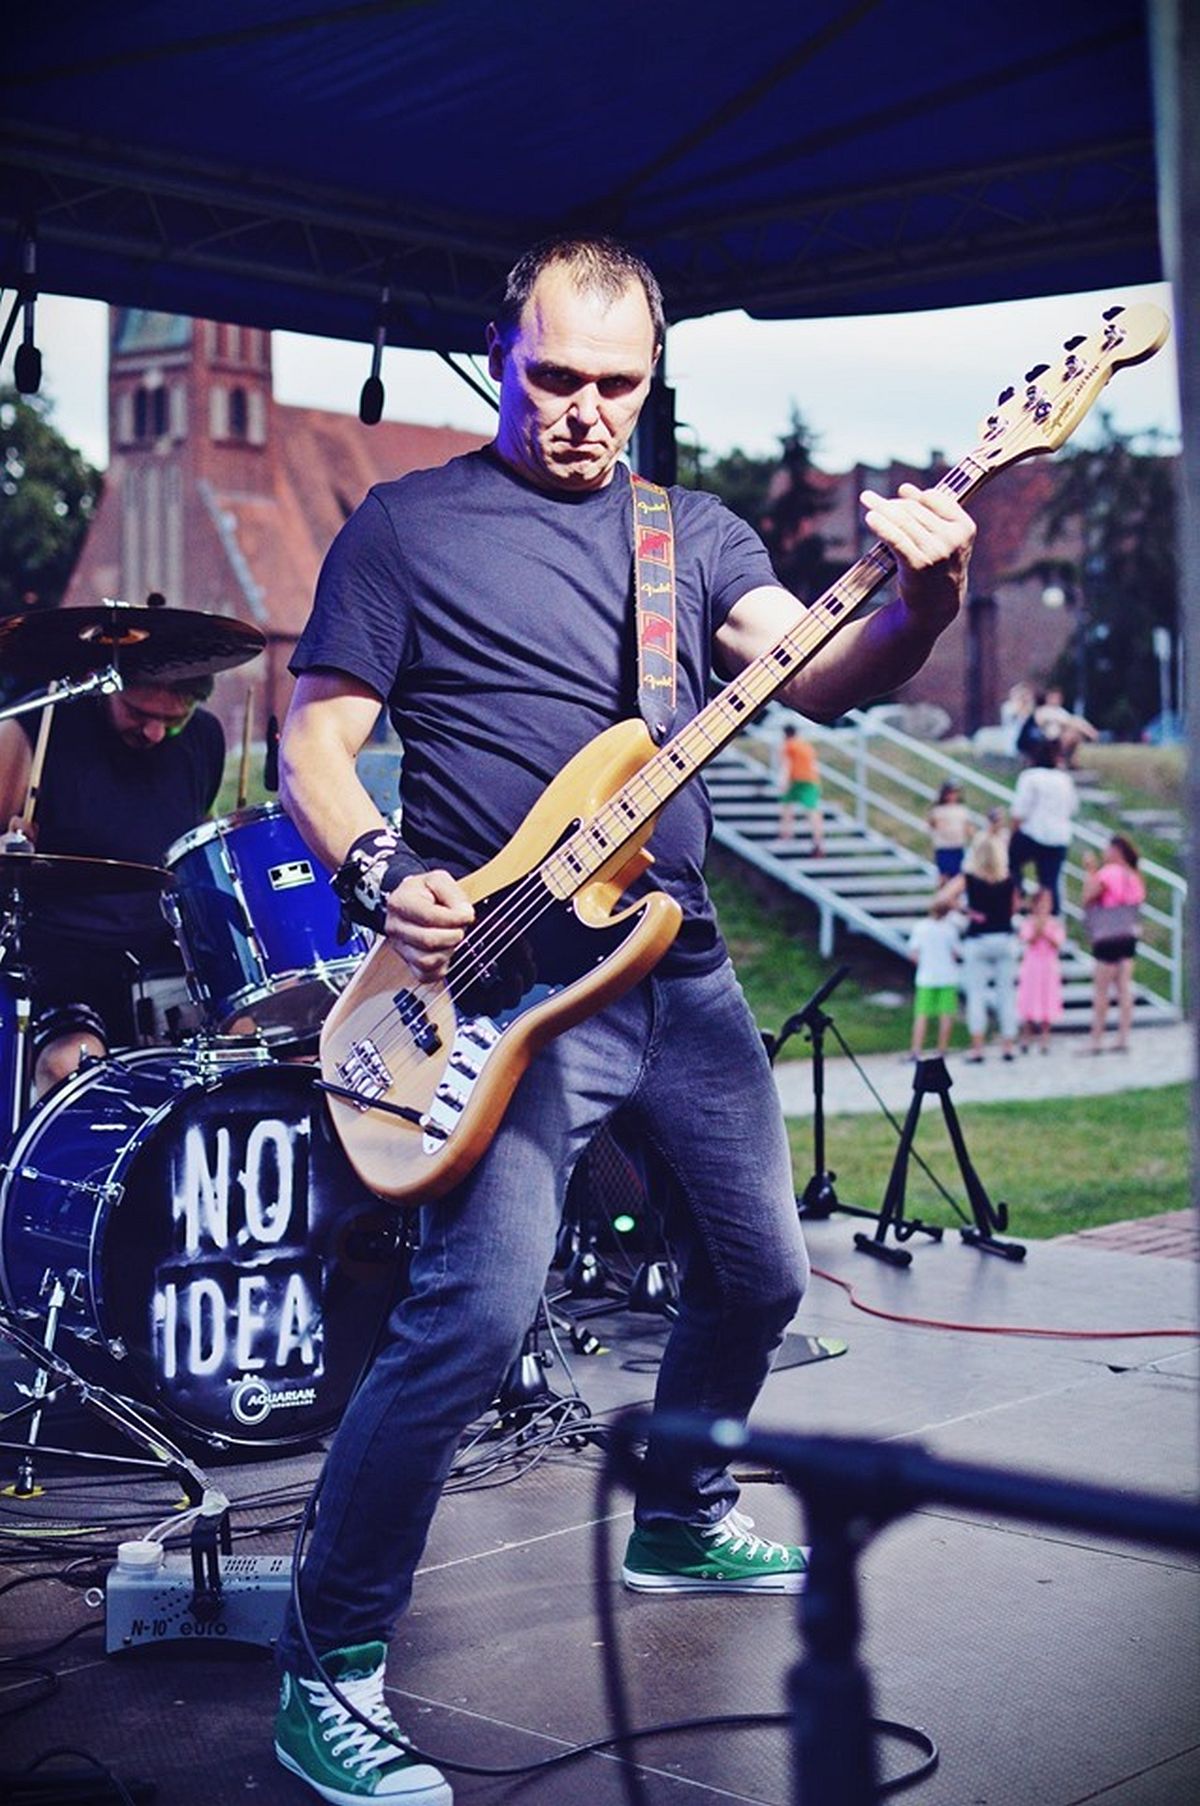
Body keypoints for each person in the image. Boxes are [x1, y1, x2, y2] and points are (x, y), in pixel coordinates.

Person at [273, 233, 974, 1806]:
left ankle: (678, 1510)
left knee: (763, 1271)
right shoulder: (406, 529)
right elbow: (312, 743)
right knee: (473, 1313)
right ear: (499, 357)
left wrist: (928, 599)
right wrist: (379, 866)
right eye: (555, 378)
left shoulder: (692, 536)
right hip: (503, 983)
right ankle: (328, 1660)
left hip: (679, 965)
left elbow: (820, 677)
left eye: (619, 383)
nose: (587, 410)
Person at [0, 676, 225, 1094]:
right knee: (70, 1063)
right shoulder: (35, 725)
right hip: (60, 951)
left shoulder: (206, 736)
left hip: (161, 951)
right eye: (139, 714)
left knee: (250, 1043)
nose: (155, 732)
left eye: (173, 721)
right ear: (106, 684)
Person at [946, 808, 1018, 1063]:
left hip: (978, 938)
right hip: (1004, 937)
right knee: (1006, 994)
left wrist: (968, 911)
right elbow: (1015, 907)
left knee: (976, 994)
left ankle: (977, 1048)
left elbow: (946, 897)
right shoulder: (1007, 879)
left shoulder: (970, 879)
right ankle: (1008, 1045)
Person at [1081, 834, 1146, 1054]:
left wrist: (1089, 872)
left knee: (1102, 989)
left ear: (1115, 851)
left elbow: (1088, 896)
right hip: (1128, 933)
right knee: (1124, 987)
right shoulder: (1134, 875)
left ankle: (1096, 1039)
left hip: (1107, 935)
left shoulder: (1107, 873)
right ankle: (1122, 1037)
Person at [1009, 738, 1078, 913]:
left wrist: (1012, 835)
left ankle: (1017, 896)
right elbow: (1073, 808)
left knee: (1011, 862)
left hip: (1034, 833)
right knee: (1049, 882)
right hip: (1059, 838)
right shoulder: (1064, 779)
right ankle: (1050, 915)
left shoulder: (1030, 777)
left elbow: (1019, 812)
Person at [906, 888, 963, 1058]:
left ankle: (916, 1049)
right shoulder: (950, 929)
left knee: (921, 1014)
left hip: (926, 977)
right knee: (946, 1014)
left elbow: (913, 953)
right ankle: (942, 1049)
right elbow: (957, 953)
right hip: (947, 976)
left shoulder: (920, 927)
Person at [1015, 885, 1065, 1054]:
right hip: (1033, 965)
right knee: (1030, 997)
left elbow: (1057, 943)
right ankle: (1026, 1034)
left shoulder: (1055, 923)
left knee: (1047, 997)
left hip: (1048, 965)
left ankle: (1045, 1036)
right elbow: (1029, 939)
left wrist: (1046, 930)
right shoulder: (1028, 922)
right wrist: (1039, 927)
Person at [777, 722, 824, 852]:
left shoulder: (788, 746)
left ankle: (786, 835)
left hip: (795, 780)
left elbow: (787, 765)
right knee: (812, 809)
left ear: (784, 734)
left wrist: (782, 781)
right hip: (811, 780)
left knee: (786, 806)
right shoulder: (806, 746)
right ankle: (818, 840)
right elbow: (814, 765)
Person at [927, 780, 970, 878]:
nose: (953, 795)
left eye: (955, 793)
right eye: (950, 793)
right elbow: (933, 826)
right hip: (944, 847)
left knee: (957, 876)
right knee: (944, 876)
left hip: (957, 847)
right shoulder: (938, 810)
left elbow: (967, 827)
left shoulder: (961, 810)